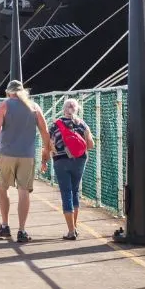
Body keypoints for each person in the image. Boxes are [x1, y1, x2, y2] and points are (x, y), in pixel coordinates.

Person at [0, 80, 51, 243]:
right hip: (27, 155)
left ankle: (5, 226)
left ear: (9, 92)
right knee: (24, 192)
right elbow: (44, 130)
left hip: (7, 154)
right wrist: (46, 151)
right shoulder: (34, 107)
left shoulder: (4, 105)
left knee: (3, 188)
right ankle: (22, 230)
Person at [51, 97, 96, 240]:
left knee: (66, 193)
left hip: (61, 160)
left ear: (63, 109)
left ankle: (71, 231)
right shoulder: (82, 124)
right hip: (80, 160)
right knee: (75, 191)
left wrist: (49, 157)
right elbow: (91, 145)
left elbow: (49, 145)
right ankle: (74, 227)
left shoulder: (56, 124)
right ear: (77, 109)